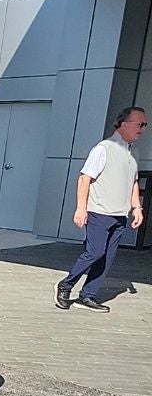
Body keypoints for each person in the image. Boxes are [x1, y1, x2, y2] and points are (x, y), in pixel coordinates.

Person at [56, 106, 146, 312]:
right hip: (99, 212)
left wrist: (137, 207)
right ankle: (66, 285)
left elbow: (133, 181)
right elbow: (84, 178)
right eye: (139, 124)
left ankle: (87, 296)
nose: (143, 128)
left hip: (120, 215)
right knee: (94, 252)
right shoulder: (103, 148)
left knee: (108, 258)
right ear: (124, 124)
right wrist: (81, 209)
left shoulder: (134, 152)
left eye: (145, 124)